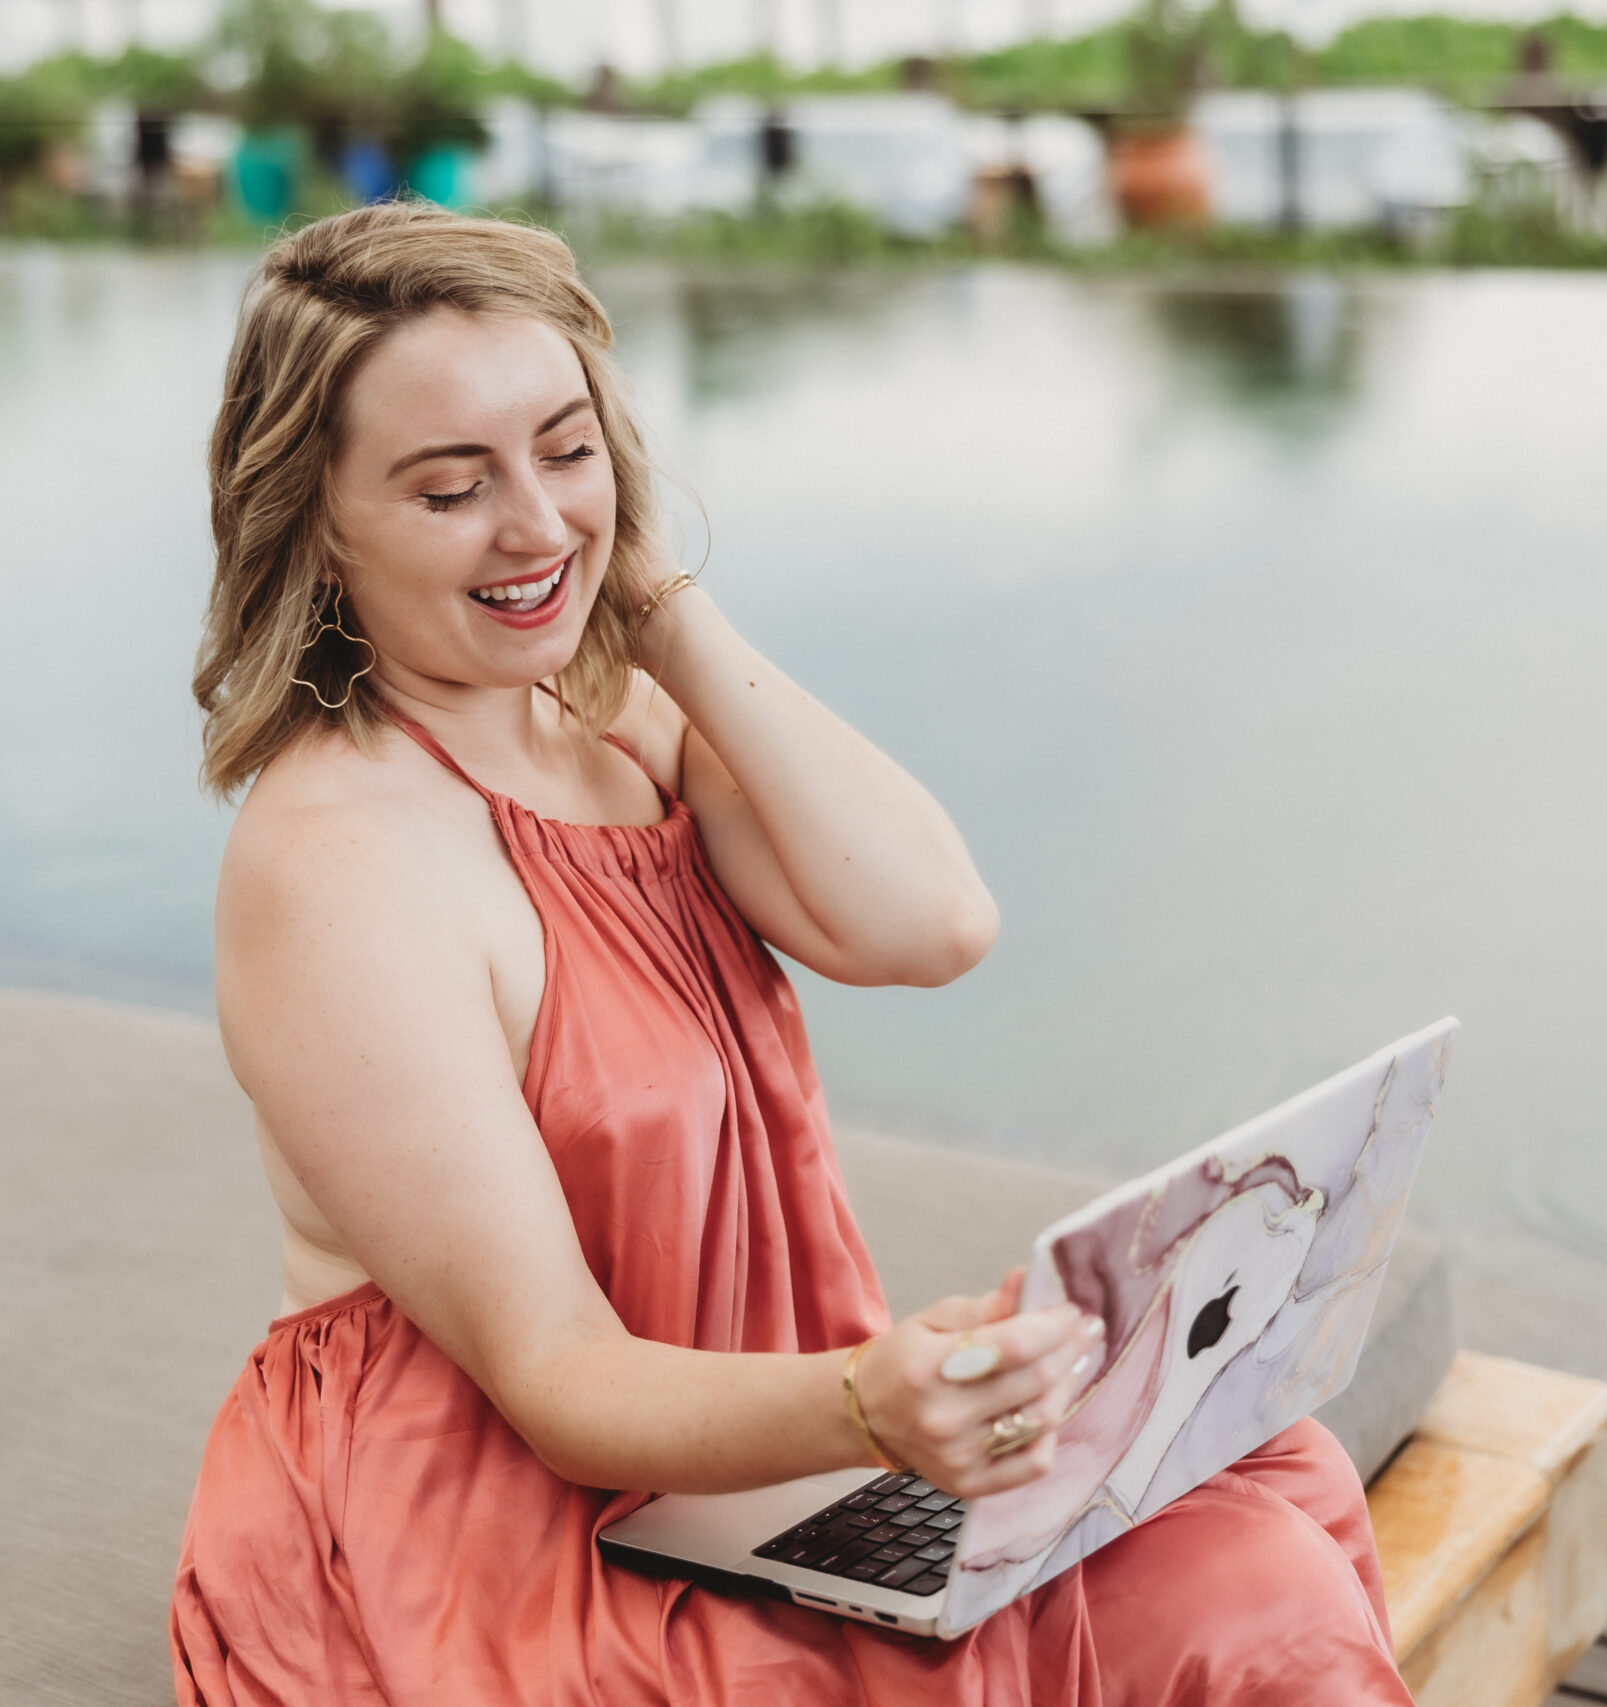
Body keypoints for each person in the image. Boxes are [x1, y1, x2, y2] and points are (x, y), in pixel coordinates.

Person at [169, 201, 1413, 1707]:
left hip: (743, 1451)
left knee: (1251, 1470)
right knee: (1241, 1590)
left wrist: (659, 616)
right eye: (450, 489)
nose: (533, 525)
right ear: (318, 516)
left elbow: (929, 922)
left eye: (566, 452)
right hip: (494, 1522)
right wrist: (866, 1405)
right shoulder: (339, 868)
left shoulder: (609, 718)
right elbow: (557, 1380)